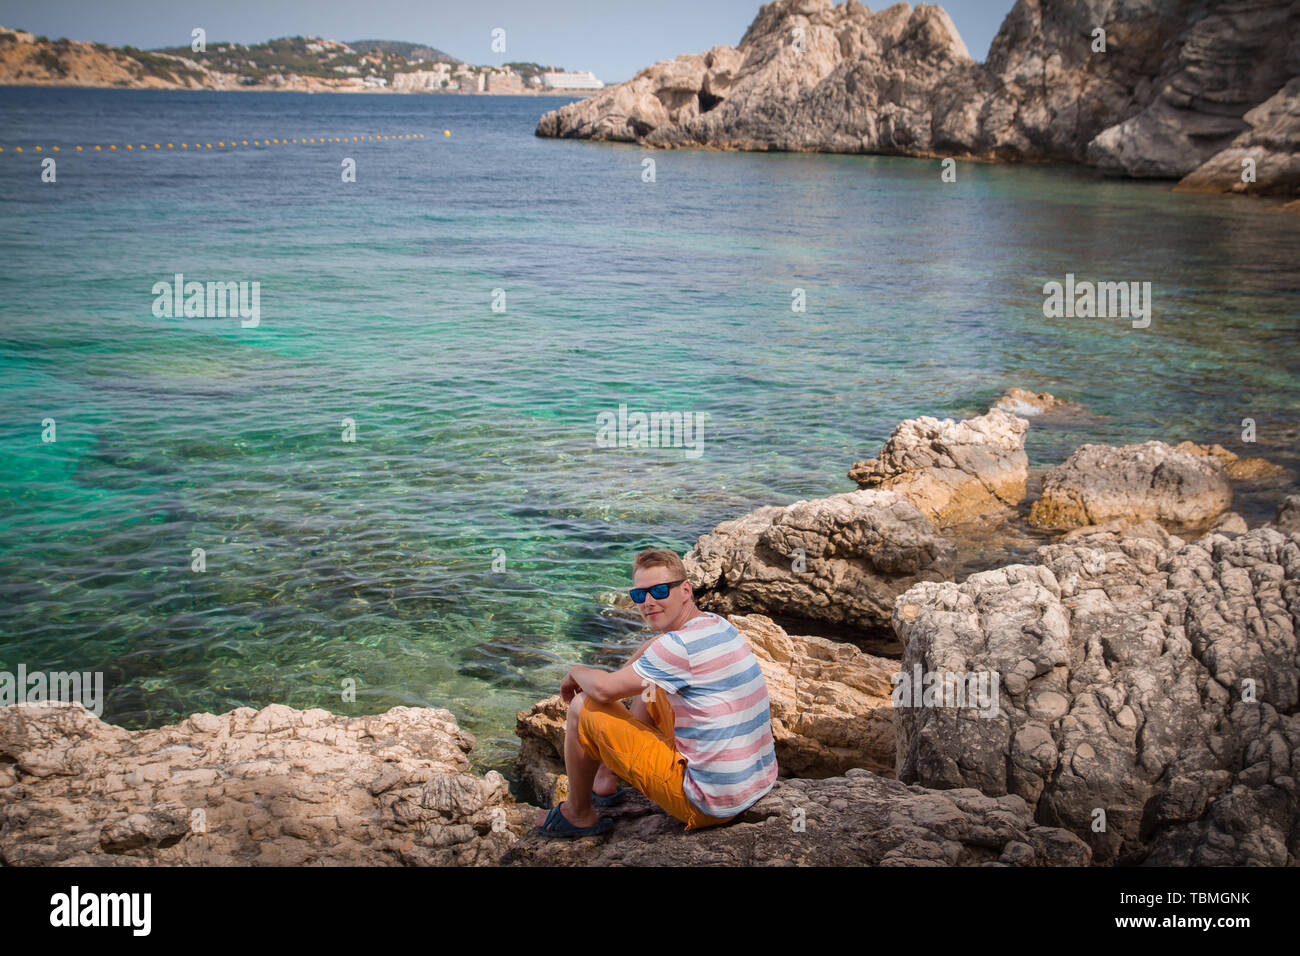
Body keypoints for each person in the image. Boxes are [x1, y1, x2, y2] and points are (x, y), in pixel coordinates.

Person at [535, 547, 779, 837]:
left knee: (582, 704)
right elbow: (652, 654)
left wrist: (576, 671)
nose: (648, 602)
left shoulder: (676, 649)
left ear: (686, 589)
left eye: (660, 590)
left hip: (706, 804)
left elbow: (602, 691)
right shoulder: (716, 624)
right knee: (651, 681)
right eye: (640, 595)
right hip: (758, 782)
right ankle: (605, 776)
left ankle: (577, 814)